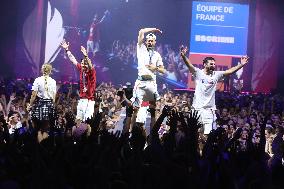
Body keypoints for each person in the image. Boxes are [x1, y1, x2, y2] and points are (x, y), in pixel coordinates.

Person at [180, 46, 249, 134]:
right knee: (194, 133)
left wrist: (241, 64)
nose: (213, 65)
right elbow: (189, 65)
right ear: (205, 64)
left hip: (209, 110)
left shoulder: (216, 74)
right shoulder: (198, 73)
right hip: (196, 109)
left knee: (208, 135)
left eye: (214, 64)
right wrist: (183, 56)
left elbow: (230, 71)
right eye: (211, 64)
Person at [131, 28, 166, 129]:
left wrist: (155, 68)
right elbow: (141, 31)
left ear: (155, 42)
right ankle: (131, 133)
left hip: (151, 84)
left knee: (152, 111)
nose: (150, 42)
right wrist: (155, 29)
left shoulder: (157, 55)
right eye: (148, 40)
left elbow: (163, 71)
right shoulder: (140, 48)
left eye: (152, 41)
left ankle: (152, 136)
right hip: (140, 83)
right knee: (135, 109)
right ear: (145, 41)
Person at [60, 40, 96, 122]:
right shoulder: (81, 69)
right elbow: (73, 60)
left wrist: (86, 56)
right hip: (82, 99)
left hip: (89, 101)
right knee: (78, 121)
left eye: (84, 63)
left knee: (87, 123)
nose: (82, 65)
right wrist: (67, 50)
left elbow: (90, 65)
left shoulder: (92, 72)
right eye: (82, 63)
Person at [27, 63, 56, 142]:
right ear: (50, 71)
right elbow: (53, 98)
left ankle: (39, 148)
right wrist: (52, 108)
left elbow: (33, 95)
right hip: (49, 105)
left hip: (40, 104)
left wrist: (30, 105)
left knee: (39, 129)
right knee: (46, 129)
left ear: (42, 70)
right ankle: (44, 149)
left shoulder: (38, 80)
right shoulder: (53, 81)